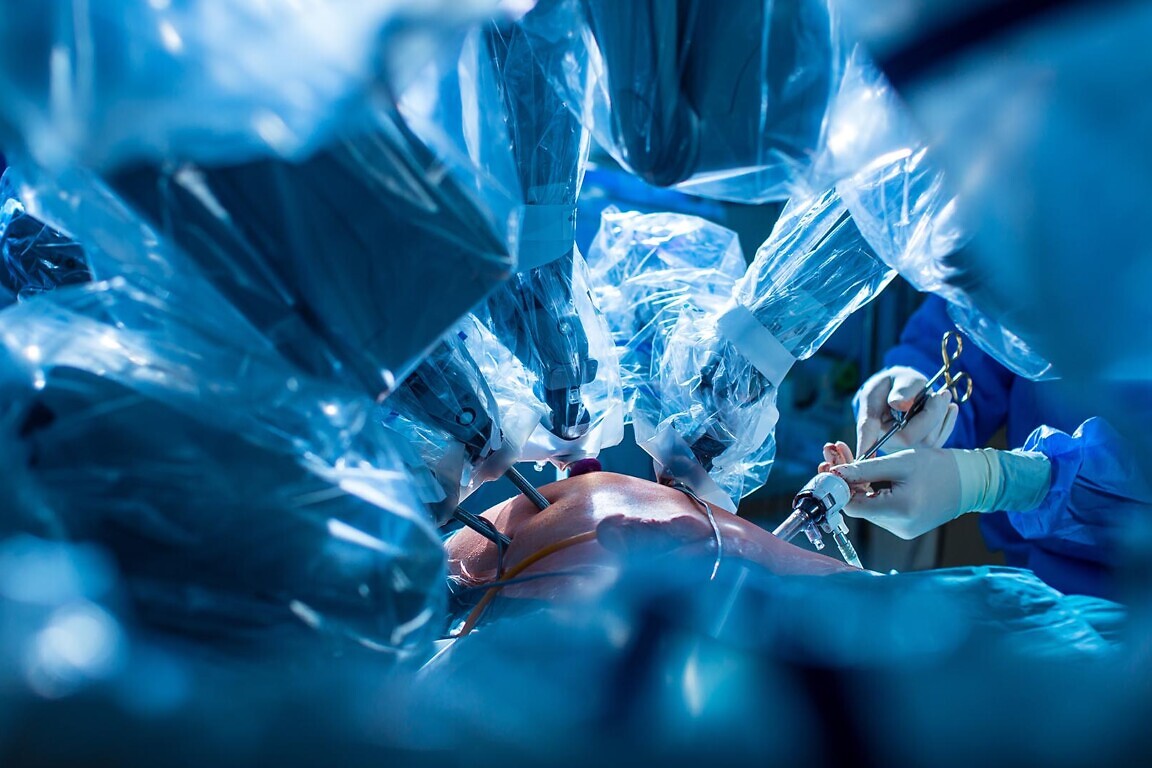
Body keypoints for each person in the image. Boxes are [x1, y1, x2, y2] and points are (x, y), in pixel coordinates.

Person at [830, 295, 1152, 598]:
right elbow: (981, 314)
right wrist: (914, 389)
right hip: (1039, 584)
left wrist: (1007, 480)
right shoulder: (1061, 237)